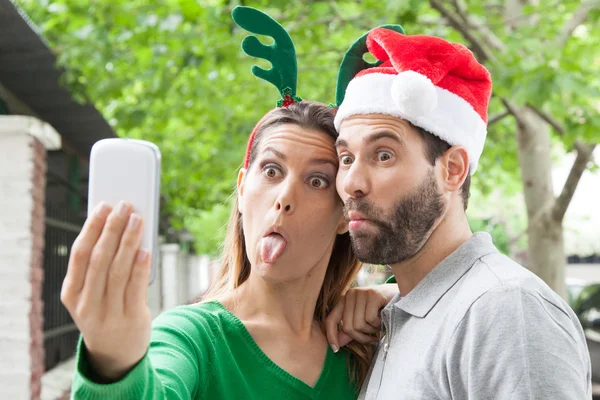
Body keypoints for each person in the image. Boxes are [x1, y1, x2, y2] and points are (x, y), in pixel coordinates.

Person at [63, 7, 397, 400]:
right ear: (242, 190)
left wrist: (391, 298)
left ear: (344, 213)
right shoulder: (192, 338)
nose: (285, 198)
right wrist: (113, 362)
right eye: (272, 171)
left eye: (317, 180)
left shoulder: (367, 342)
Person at [324, 28, 592, 399]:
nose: (352, 182)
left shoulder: (506, 311)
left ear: (452, 170)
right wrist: (389, 299)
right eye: (346, 158)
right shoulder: (395, 318)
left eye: (383, 155)